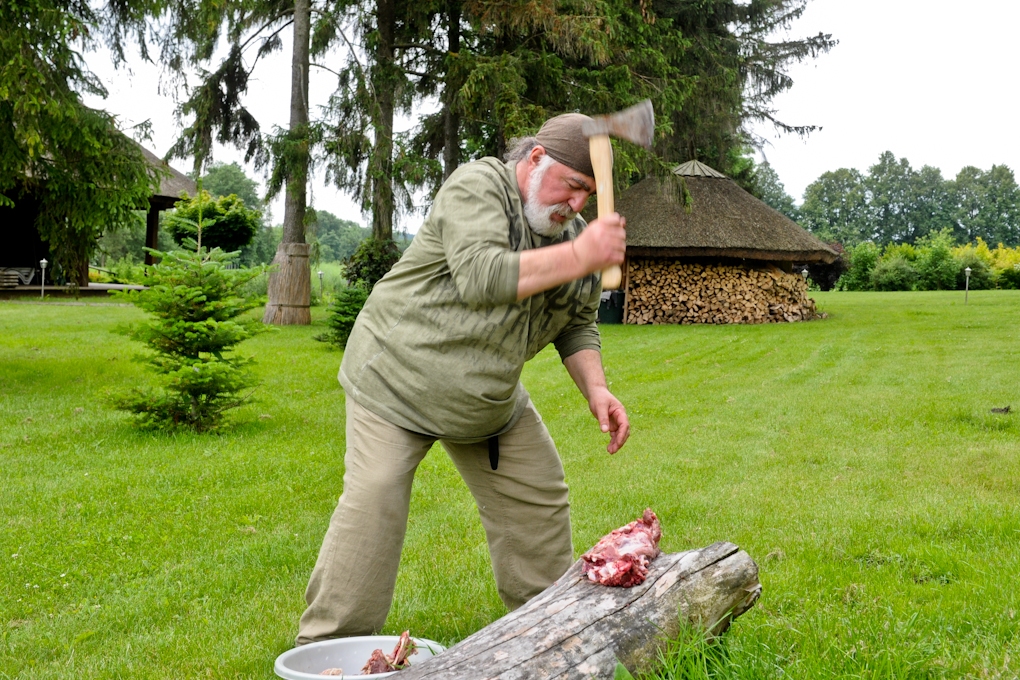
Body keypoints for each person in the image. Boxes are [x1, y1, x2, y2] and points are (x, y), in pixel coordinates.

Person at [297, 113, 631, 644]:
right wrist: (580, 255)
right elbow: (481, 275)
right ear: (536, 159)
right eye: (572, 186)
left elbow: (578, 323)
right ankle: (332, 649)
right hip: (396, 381)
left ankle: (550, 635)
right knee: (376, 496)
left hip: (487, 401)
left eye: (588, 194)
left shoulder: (573, 237)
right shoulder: (478, 186)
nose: (576, 205)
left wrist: (597, 389)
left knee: (539, 495)